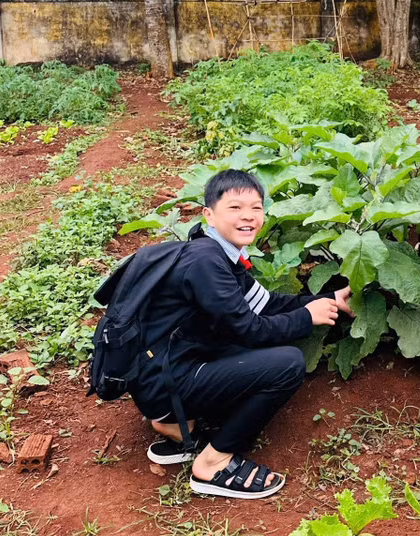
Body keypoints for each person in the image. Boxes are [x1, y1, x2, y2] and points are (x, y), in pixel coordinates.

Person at [131, 169, 351, 499]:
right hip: (164, 381)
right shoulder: (207, 263)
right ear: (209, 214)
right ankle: (212, 463)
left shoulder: (216, 252)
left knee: (254, 349)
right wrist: (307, 317)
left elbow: (266, 304)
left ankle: (176, 423)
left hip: (164, 370)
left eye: (256, 207)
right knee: (287, 363)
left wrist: (329, 299)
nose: (248, 216)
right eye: (235, 207)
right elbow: (250, 330)